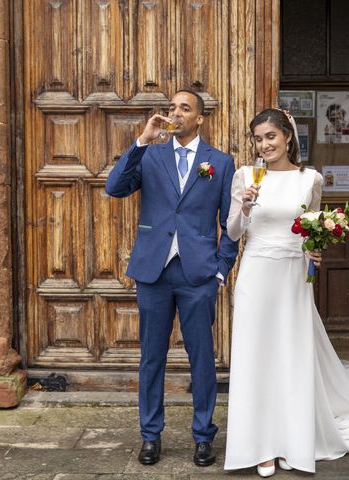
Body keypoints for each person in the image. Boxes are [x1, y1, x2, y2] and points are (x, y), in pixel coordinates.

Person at [223, 108, 349, 477]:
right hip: (256, 272)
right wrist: (244, 207)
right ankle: (260, 447)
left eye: (271, 137)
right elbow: (231, 233)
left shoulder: (310, 178)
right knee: (255, 357)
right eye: (258, 139)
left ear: (288, 137)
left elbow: (310, 228)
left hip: (292, 275)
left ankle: (293, 440)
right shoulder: (245, 175)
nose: (264, 145)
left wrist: (314, 250)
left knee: (291, 355)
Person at [105, 90, 239, 467]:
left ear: (199, 119)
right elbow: (114, 188)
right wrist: (142, 140)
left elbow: (230, 224)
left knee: (201, 359)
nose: (176, 113)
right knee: (151, 358)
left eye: (185, 108)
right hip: (154, 271)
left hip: (198, 273)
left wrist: (220, 268)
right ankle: (150, 435)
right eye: (172, 108)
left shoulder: (220, 163)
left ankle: (202, 436)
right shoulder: (150, 154)